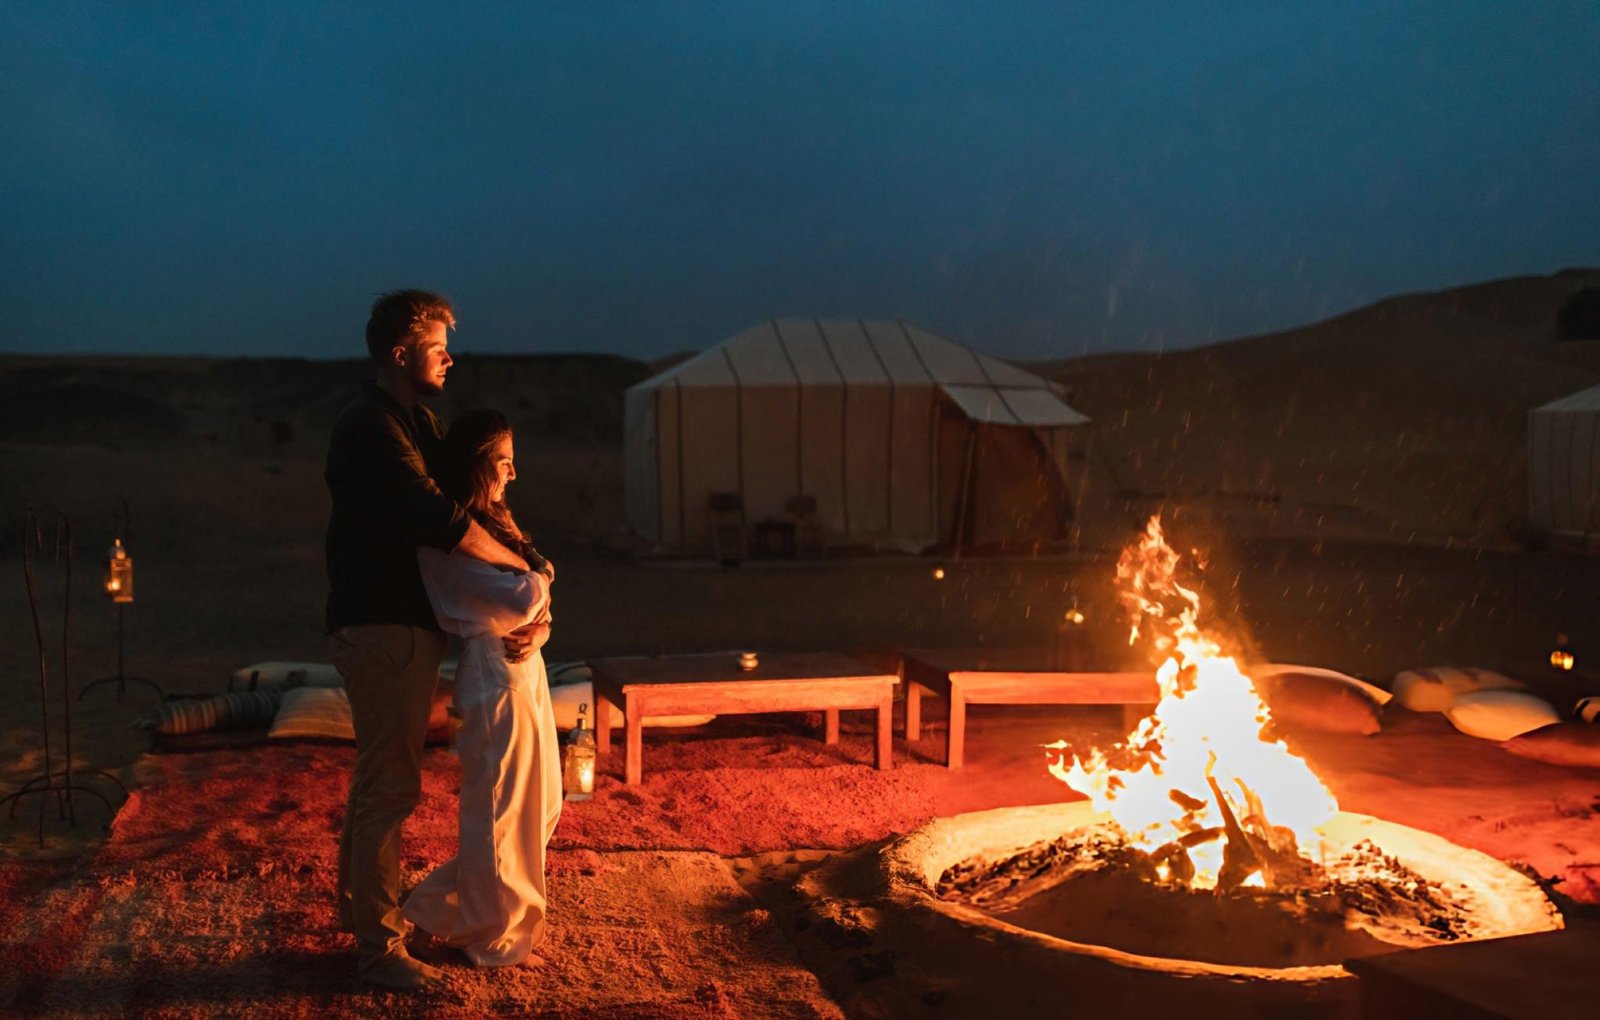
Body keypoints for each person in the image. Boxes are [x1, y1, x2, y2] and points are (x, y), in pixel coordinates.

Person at [325, 290, 543, 990]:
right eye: (438, 344)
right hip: (381, 623)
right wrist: (526, 570)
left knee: (379, 784)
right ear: (399, 353)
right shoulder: (372, 426)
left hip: (402, 624)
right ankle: (378, 950)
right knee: (389, 787)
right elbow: (438, 517)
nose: (451, 356)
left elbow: (459, 506)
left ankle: (359, 914)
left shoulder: (413, 420)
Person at [402, 409, 561, 969]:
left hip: (526, 665)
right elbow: (520, 598)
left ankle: (430, 912)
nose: (513, 474)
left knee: (542, 807)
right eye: (503, 462)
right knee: (501, 813)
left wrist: (539, 614)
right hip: (492, 673)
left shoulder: (496, 528)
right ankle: (492, 937)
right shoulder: (445, 541)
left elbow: (530, 603)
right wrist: (539, 580)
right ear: (475, 466)